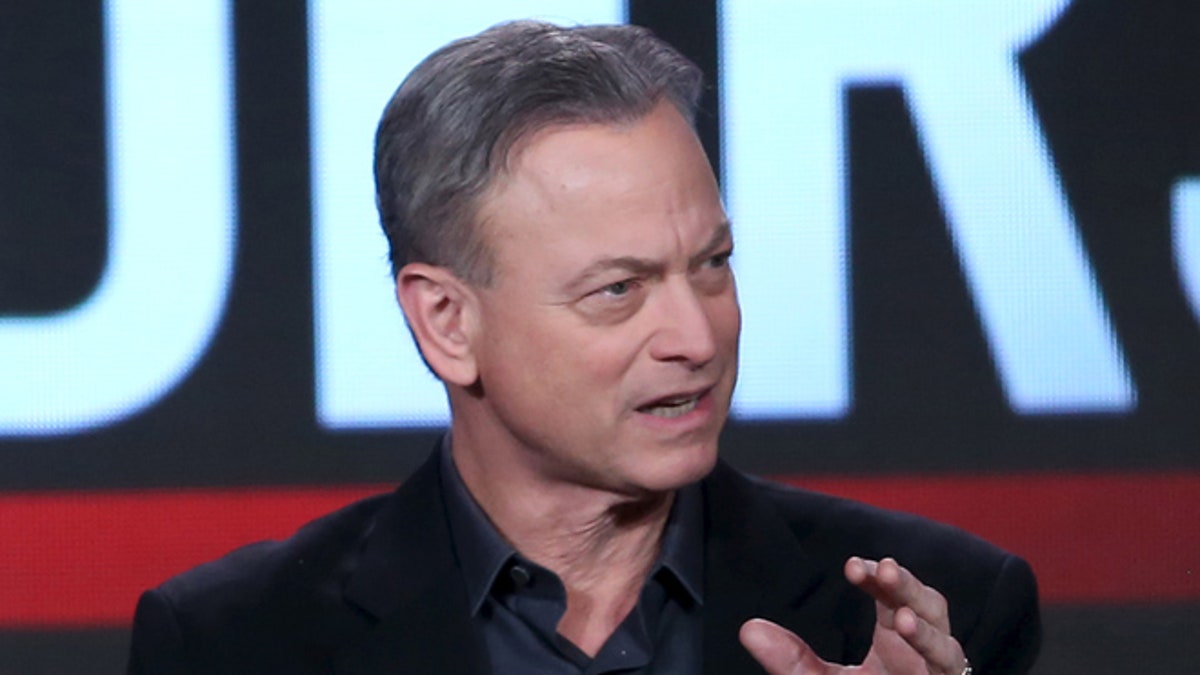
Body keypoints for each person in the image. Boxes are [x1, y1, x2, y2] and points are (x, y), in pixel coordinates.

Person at [127, 20, 1040, 674]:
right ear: (448, 323)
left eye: (712, 264)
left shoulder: (934, 615)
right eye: (619, 289)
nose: (697, 337)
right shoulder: (231, 641)